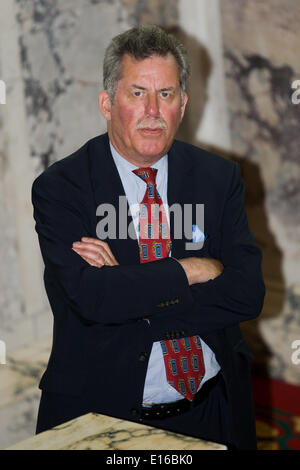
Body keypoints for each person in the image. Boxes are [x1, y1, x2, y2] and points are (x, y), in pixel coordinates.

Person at [32, 25, 265, 449]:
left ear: (184, 103)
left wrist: (131, 286)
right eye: (137, 93)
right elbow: (92, 300)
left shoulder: (219, 177)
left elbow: (247, 294)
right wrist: (191, 269)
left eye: (167, 94)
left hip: (215, 409)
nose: (153, 111)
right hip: (106, 415)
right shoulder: (61, 188)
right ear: (107, 103)